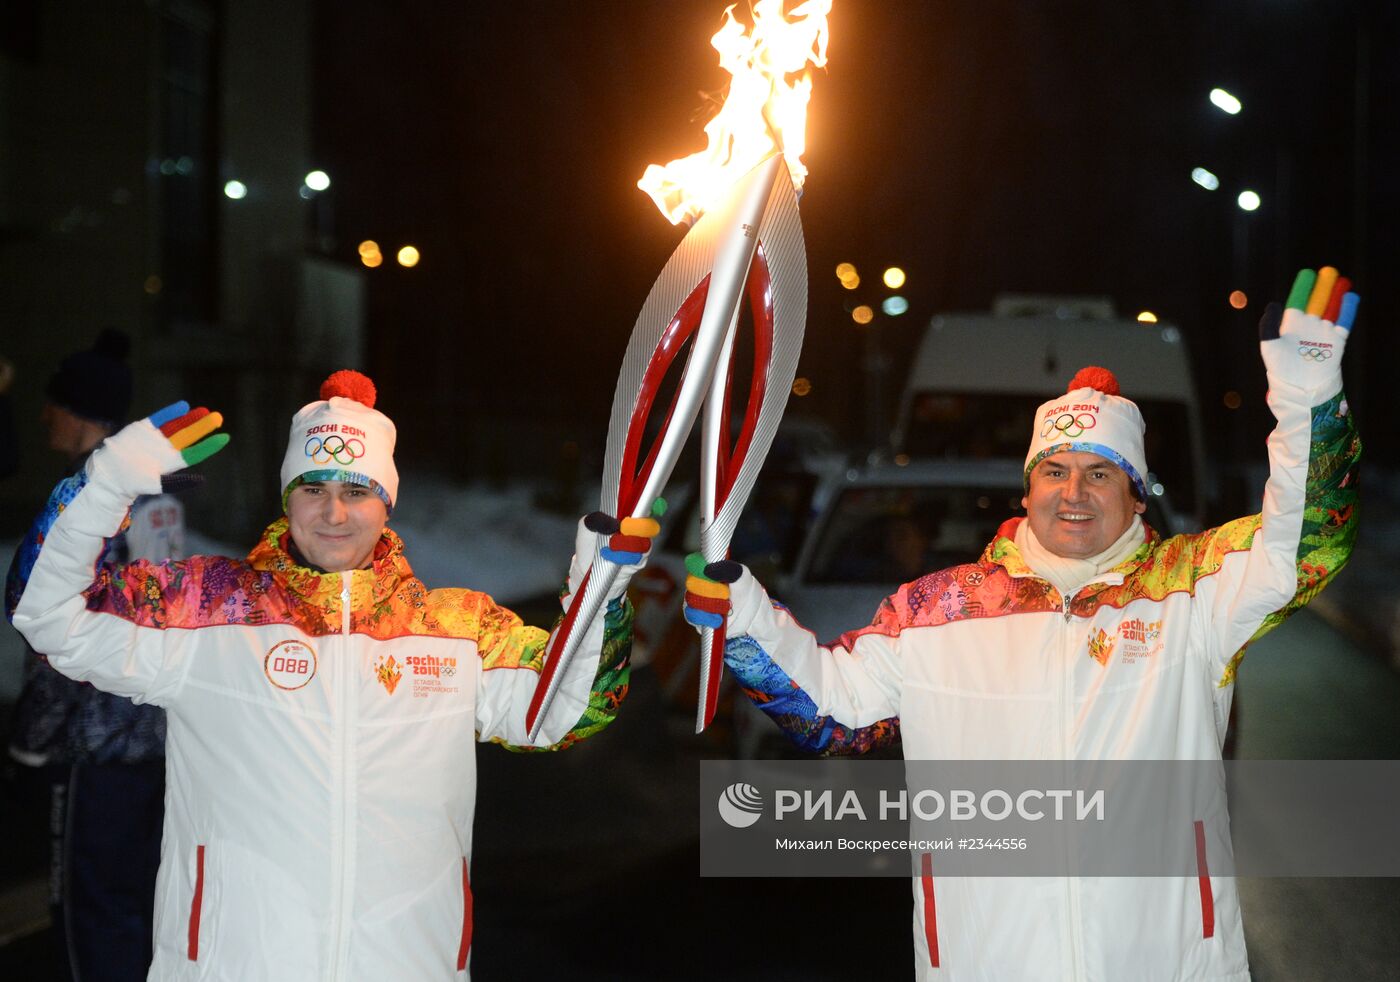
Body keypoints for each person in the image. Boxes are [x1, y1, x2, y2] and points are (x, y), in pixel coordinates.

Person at [684, 267, 1361, 980]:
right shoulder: (935, 612)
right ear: (1028, 488)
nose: (1074, 493)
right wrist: (745, 616)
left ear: (1136, 499)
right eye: (1055, 471)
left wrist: (1307, 393)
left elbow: (1308, 542)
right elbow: (830, 710)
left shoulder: (1194, 592)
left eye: (1100, 474)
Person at [12, 369, 655, 980]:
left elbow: (570, 709)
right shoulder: (206, 611)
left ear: (386, 503)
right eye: (313, 489)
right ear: (289, 496)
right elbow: (47, 613)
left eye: (356, 491)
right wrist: (103, 487)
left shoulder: (455, 630)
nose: (334, 514)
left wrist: (601, 593)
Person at [5, 328, 180, 981]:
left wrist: (30, 742)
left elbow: (65, 639)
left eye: (52, 402)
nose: (43, 415)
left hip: (91, 748)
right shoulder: (157, 496)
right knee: (131, 911)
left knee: (86, 919)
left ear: (76, 410)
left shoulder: (89, 506)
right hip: (151, 740)